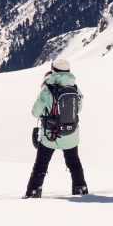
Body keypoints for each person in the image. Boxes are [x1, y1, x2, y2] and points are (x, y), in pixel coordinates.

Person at [25, 58, 88, 198]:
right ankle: (81, 189)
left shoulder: (47, 89)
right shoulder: (75, 88)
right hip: (71, 133)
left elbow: (35, 112)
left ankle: (33, 192)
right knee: (74, 163)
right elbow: (79, 108)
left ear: (53, 70)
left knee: (41, 165)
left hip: (50, 134)